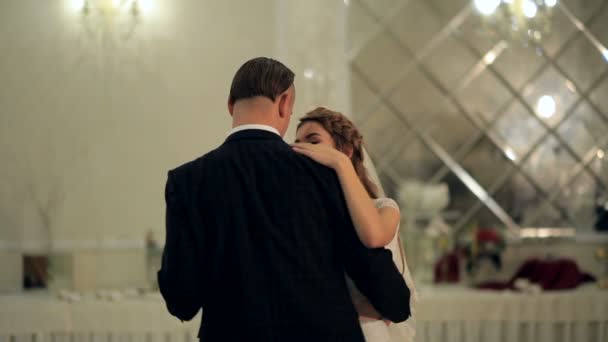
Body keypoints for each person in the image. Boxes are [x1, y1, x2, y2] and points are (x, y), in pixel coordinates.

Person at [157, 57, 411, 342]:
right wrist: (394, 303)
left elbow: (182, 298)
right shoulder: (323, 172)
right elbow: (386, 289)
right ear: (284, 102)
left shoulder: (188, 181)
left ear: (230, 104)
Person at [293, 107, 417, 342]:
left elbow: (373, 237)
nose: (302, 149)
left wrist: (340, 163)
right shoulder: (310, 213)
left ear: (346, 150)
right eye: (297, 142)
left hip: (373, 332)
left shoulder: (384, 207)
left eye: (313, 141)